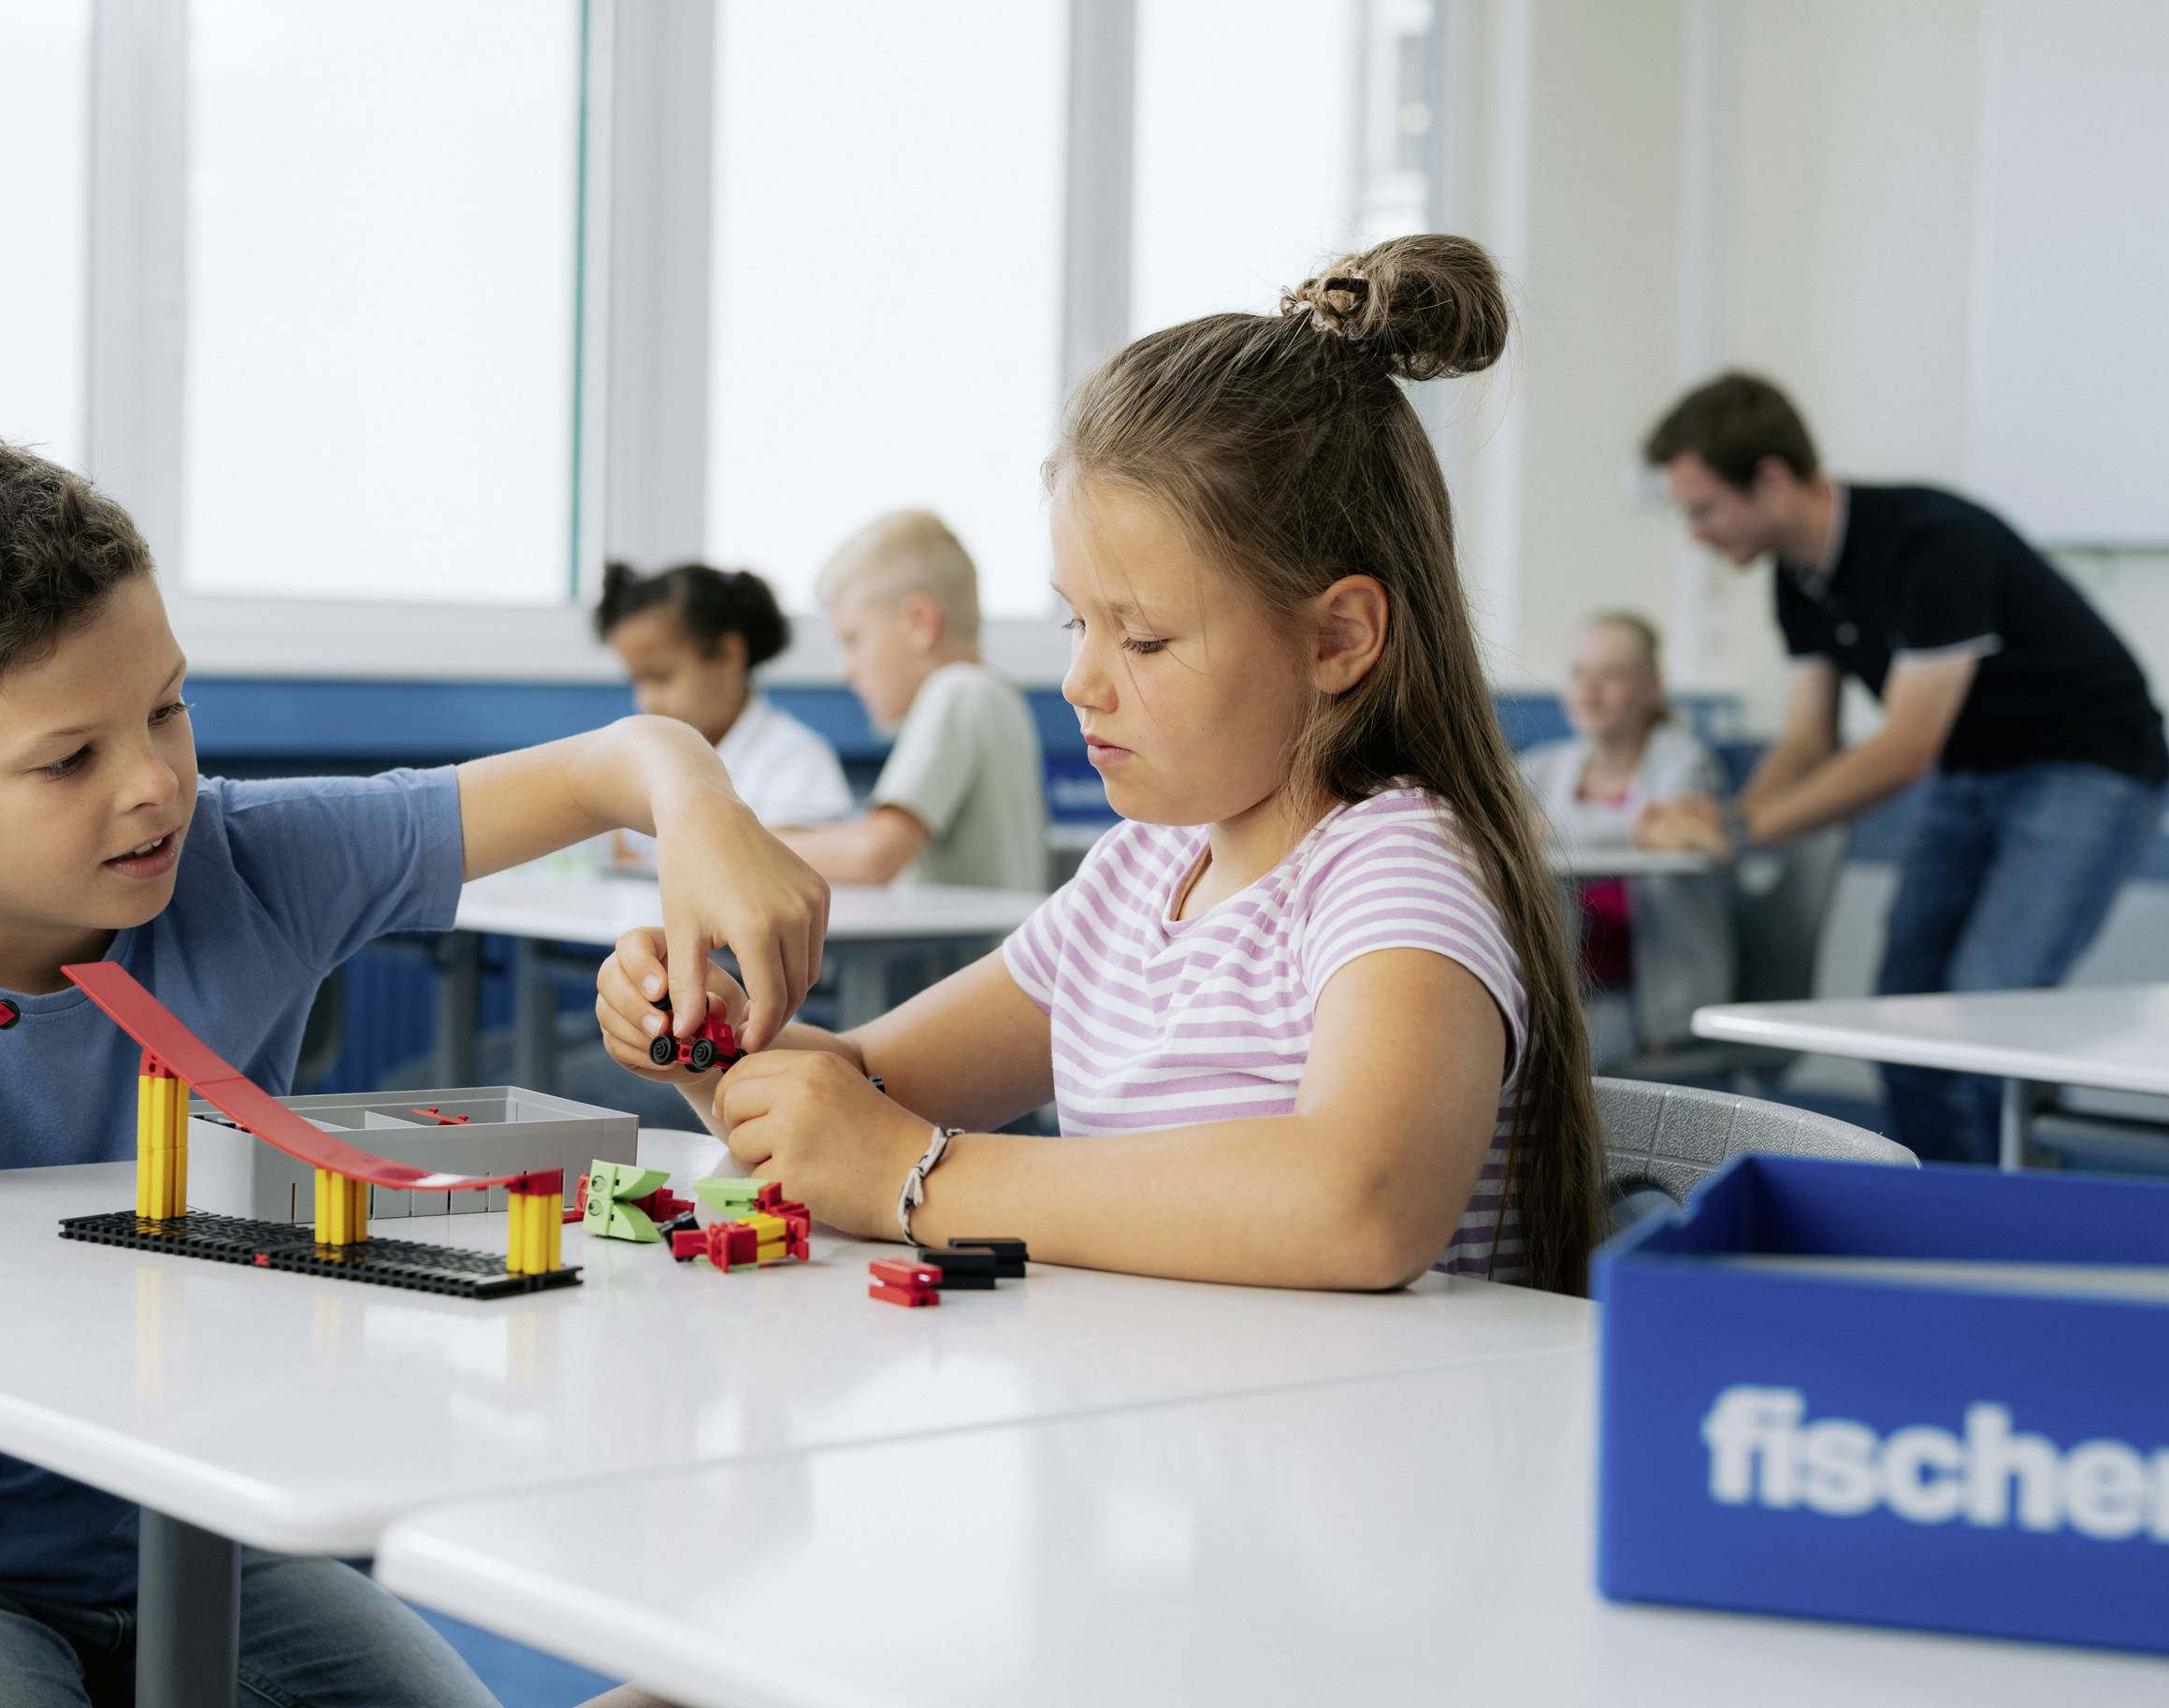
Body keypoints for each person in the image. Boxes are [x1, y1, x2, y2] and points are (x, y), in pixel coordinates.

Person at [0, 428, 827, 1708]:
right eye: (69, 759)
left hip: (199, 1537)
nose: (157, 786)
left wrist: (699, 804)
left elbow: (614, 762)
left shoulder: (253, 864)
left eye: (166, 707)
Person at [592, 235, 1601, 1295]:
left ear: (1338, 638)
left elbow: (1359, 1202)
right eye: (1078, 621)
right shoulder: (1131, 881)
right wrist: (699, 1036)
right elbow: (855, 1089)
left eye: (1145, 637)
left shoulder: (1397, 867)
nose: (1082, 679)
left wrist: (914, 1174)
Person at [1636, 372, 2169, 1163]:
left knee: (1994, 1011)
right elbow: (1806, 742)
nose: (1695, 533)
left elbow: (1904, 748)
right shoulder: (1797, 578)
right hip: (1973, 773)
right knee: (1901, 1011)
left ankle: (2010, 1217)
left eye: (1704, 508)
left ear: (1773, 478)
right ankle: (1946, 1205)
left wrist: (1739, 830)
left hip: (2086, 768)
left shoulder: (1930, 543)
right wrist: (1718, 824)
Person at [771, 511, 1048, 890]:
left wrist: (738, 844)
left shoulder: (957, 691)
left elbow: (873, 855)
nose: (846, 671)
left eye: (853, 640)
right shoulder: (993, 694)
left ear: (920, 623)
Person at [1517, 613, 1733, 1064]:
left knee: (1549, 1063)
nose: (1589, 691)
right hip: (1564, 989)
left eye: (1611, 675)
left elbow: (1666, 833)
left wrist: (1549, 827)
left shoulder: (1685, 764)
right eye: (1579, 673)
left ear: (1652, 690)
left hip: (1651, 998)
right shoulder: (1540, 767)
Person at [594, 560, 854, 827]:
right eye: (636, 680)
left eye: (661, 677)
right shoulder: (646, 762)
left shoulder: (797, 762)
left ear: (728, 656)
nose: (646, 701)